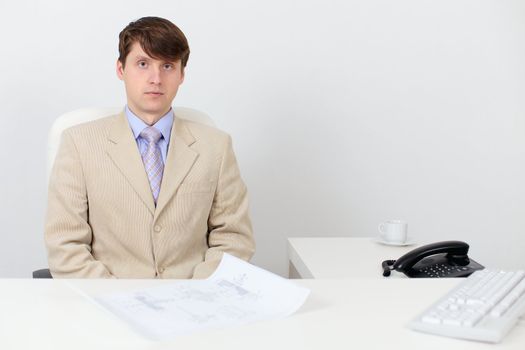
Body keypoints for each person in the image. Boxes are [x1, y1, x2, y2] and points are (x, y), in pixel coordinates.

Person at [44, 16, 255, 278]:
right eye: (143, 64)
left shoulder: (217, 147)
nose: (156, 78)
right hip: (109, 305)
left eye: (167, 66)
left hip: (193, 304)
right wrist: (121, 301)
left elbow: (234, 239)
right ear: (121, 69)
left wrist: (195, 297)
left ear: (181, 75)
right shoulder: (78, 143)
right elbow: (65, 246)